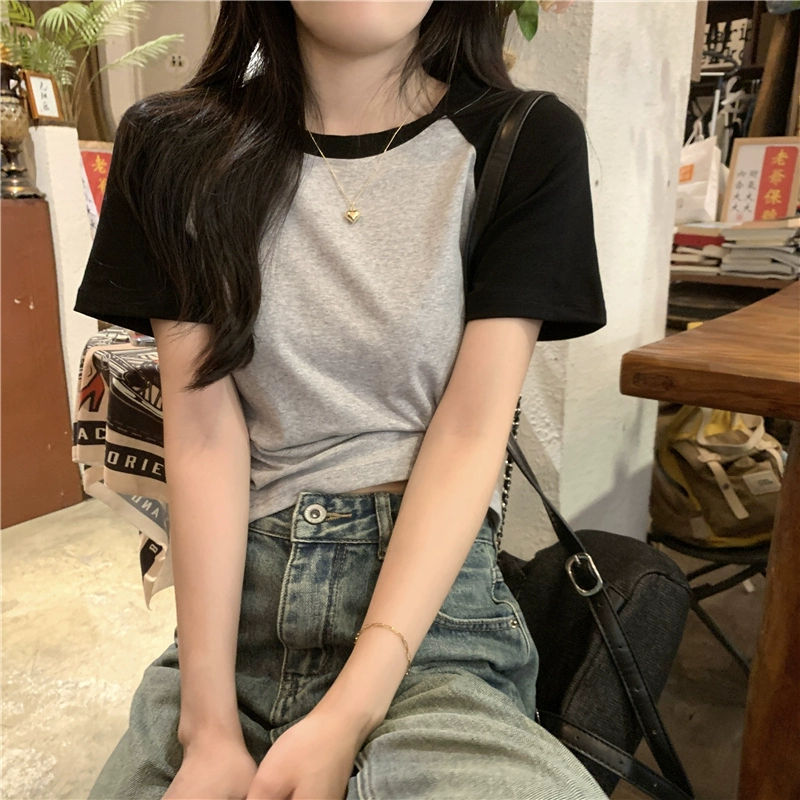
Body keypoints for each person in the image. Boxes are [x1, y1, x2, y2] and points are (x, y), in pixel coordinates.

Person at [73, 2, 608, 798]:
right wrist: (208, 726)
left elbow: (470, 433)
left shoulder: (523, 140)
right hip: (235, 614)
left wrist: (352, 709)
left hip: (431, 630)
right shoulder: (172, 146)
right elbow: (203, 436)